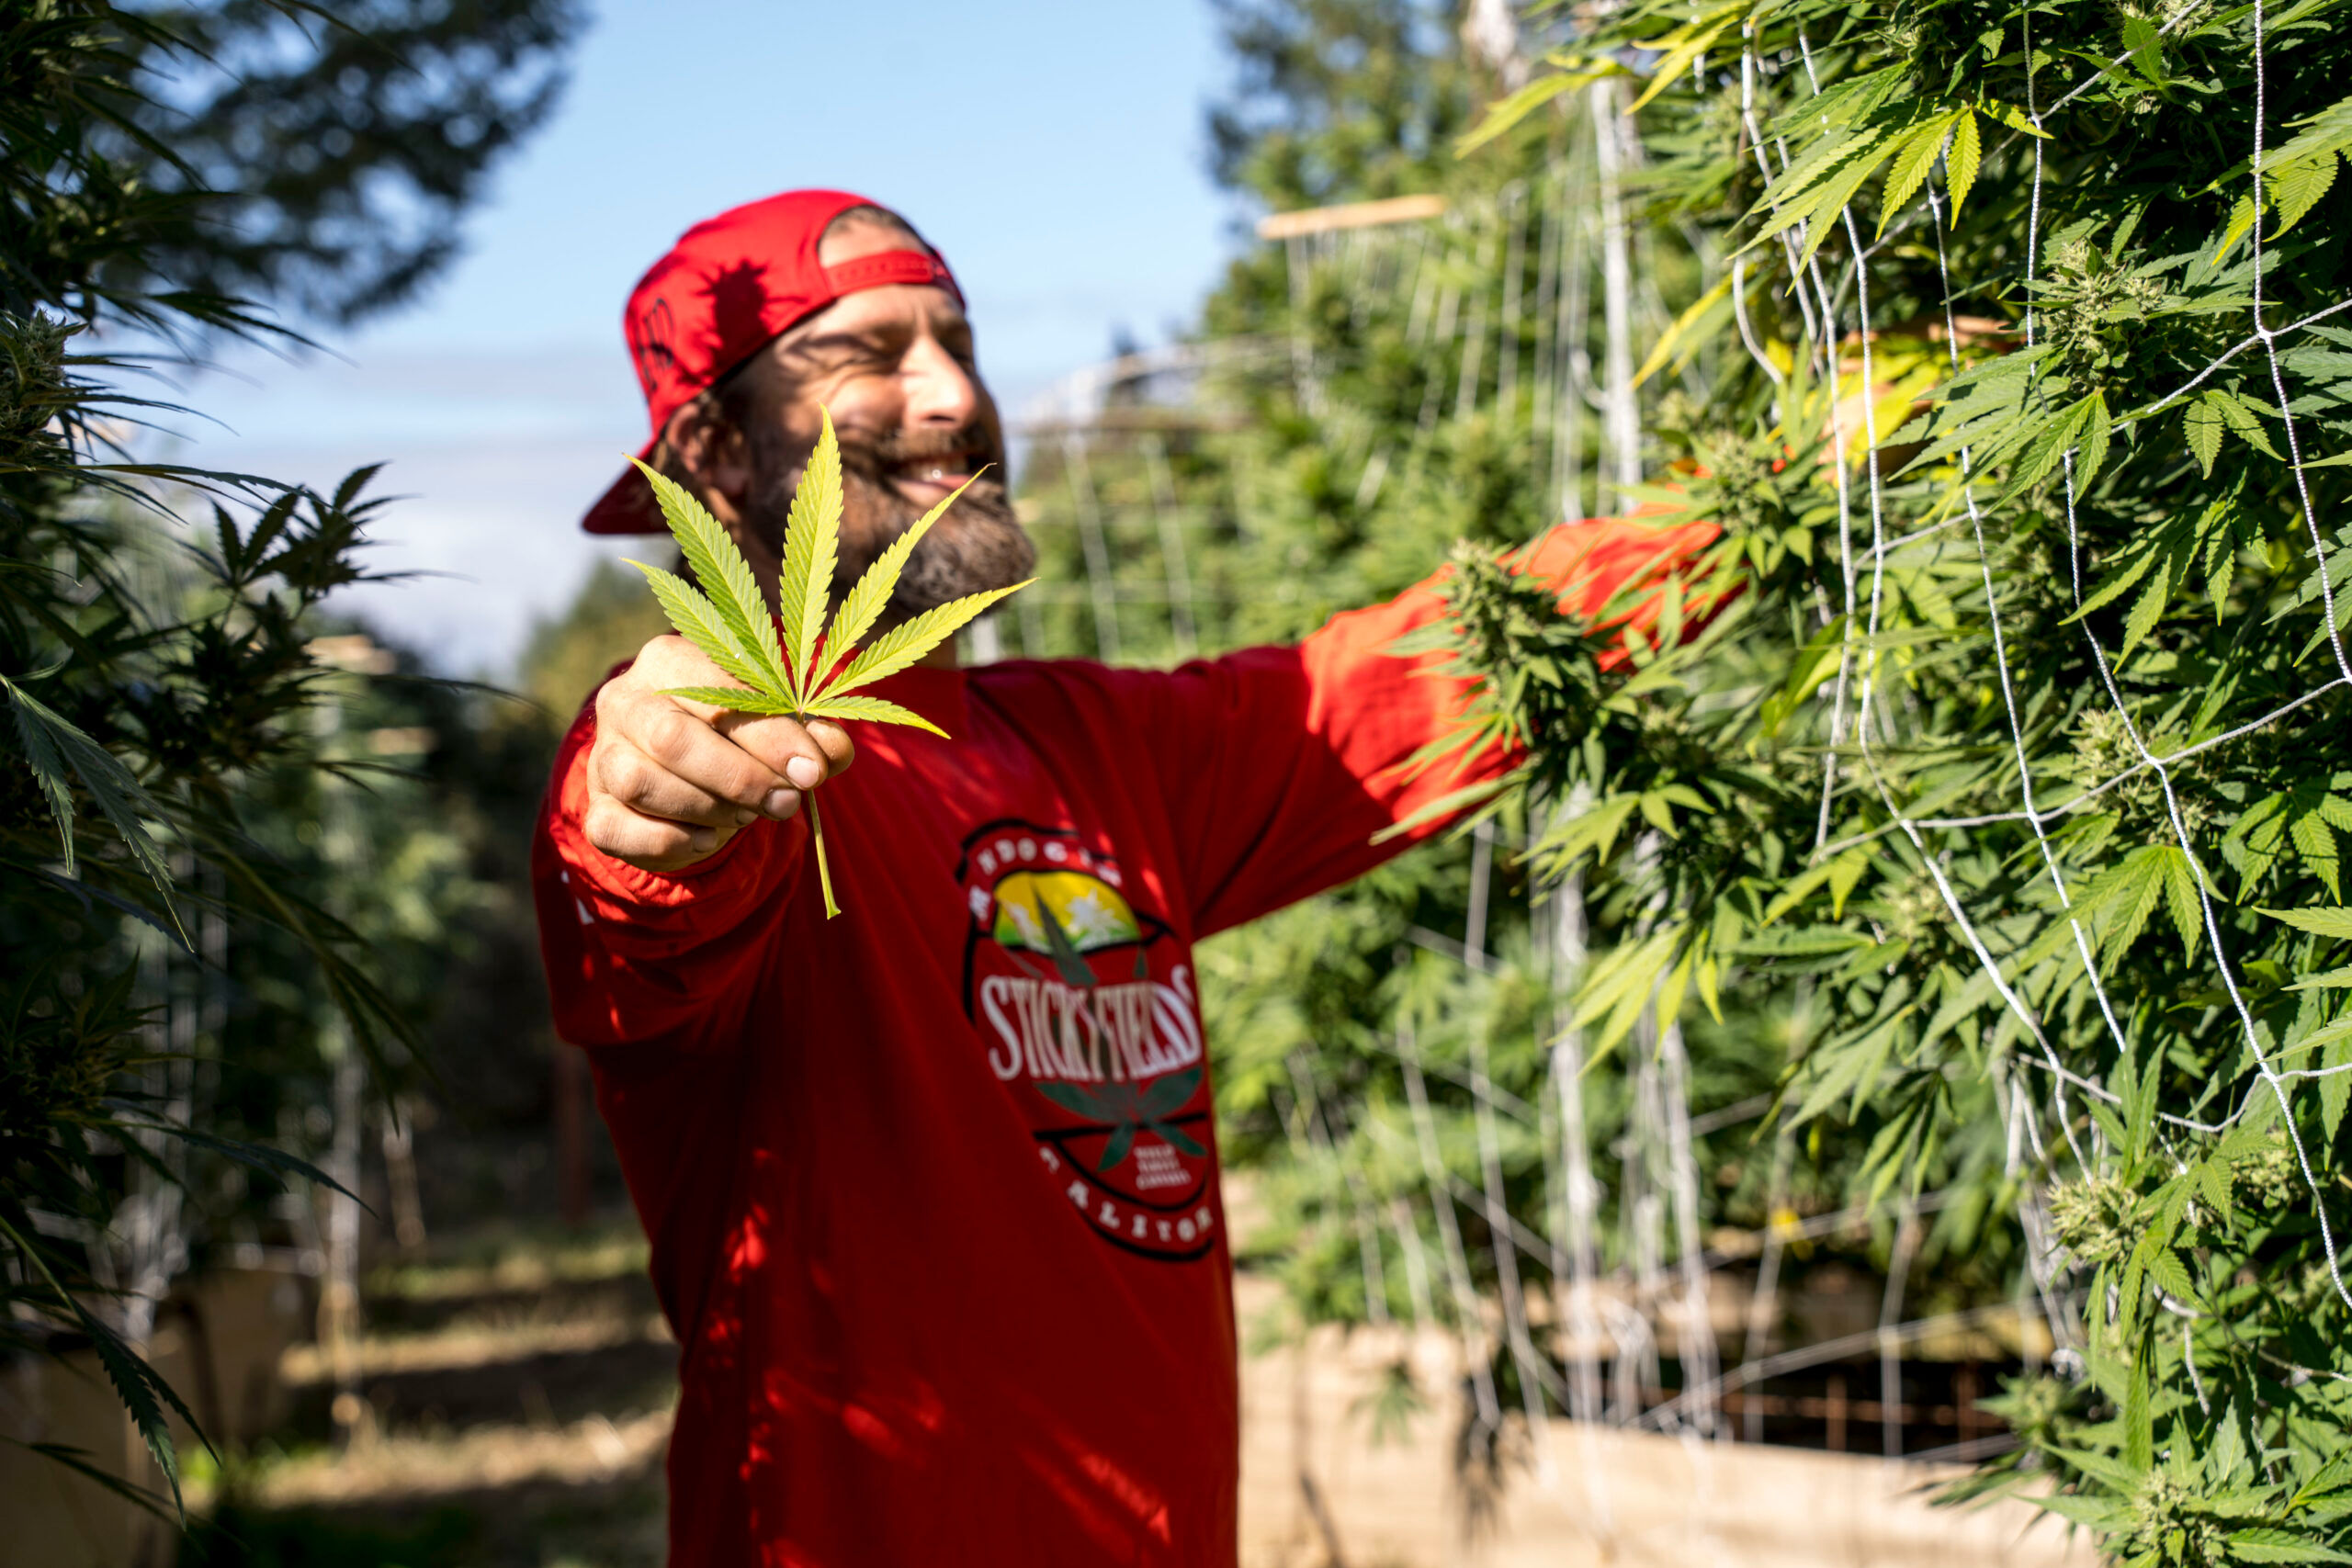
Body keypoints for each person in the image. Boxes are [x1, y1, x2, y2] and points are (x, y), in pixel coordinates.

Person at [533, 187, 1712, 1567]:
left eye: (958, 340)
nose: (955, 395)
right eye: (865, 354)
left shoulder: (1099, 746)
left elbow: (1416, 679)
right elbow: (649, 896)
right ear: (713, 452)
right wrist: (644, 812)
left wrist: (1756, 513)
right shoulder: (749, 757)